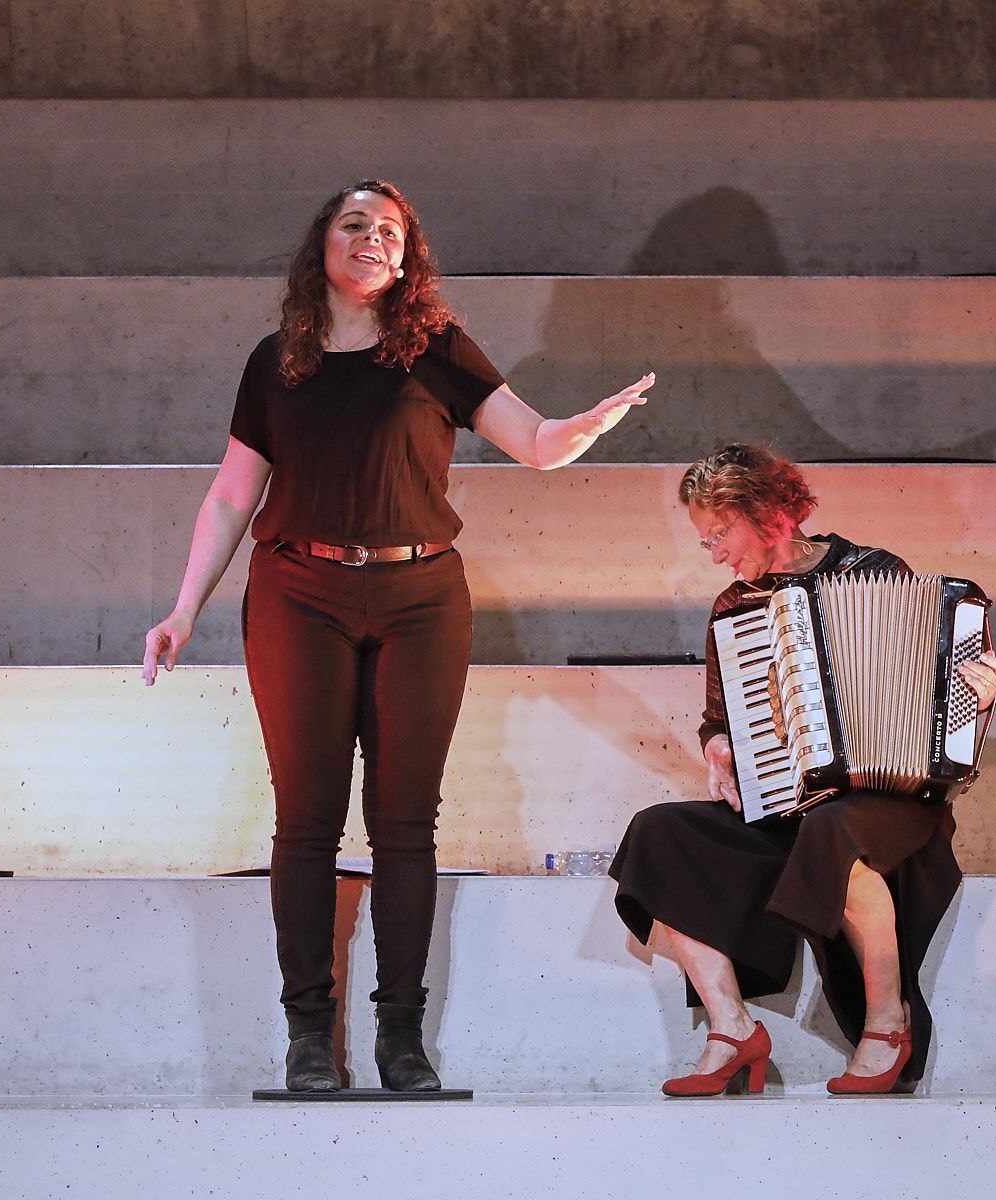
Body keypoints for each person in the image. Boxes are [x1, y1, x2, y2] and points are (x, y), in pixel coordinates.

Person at [143, 180, 654, 1092]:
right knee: (306, 820)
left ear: (407, 253)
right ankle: (309, 1037)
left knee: (405, 822)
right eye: (355, 225)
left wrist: (579, 430)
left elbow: (535, 444)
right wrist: (184, 607)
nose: (372, 238)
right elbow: (230, 497)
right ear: (323, 245)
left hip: (419, 597)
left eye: (390, 229)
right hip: (300, 592)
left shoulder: (436, 349)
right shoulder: (278, 361)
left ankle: (400, 1037)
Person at [610, 443, 996, 1096]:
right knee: (658, 832)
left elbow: (939, 689)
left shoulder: (875, 572)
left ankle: (889, 1024)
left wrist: (977, 694)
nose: (713, 554)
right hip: (789, 805)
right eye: (705, 540)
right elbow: (718, 720)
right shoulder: (734, 607)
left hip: (891, 802)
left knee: (833, 827)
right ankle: (732, 1029)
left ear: (769, 515)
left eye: (719, 534)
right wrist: (719, 747)